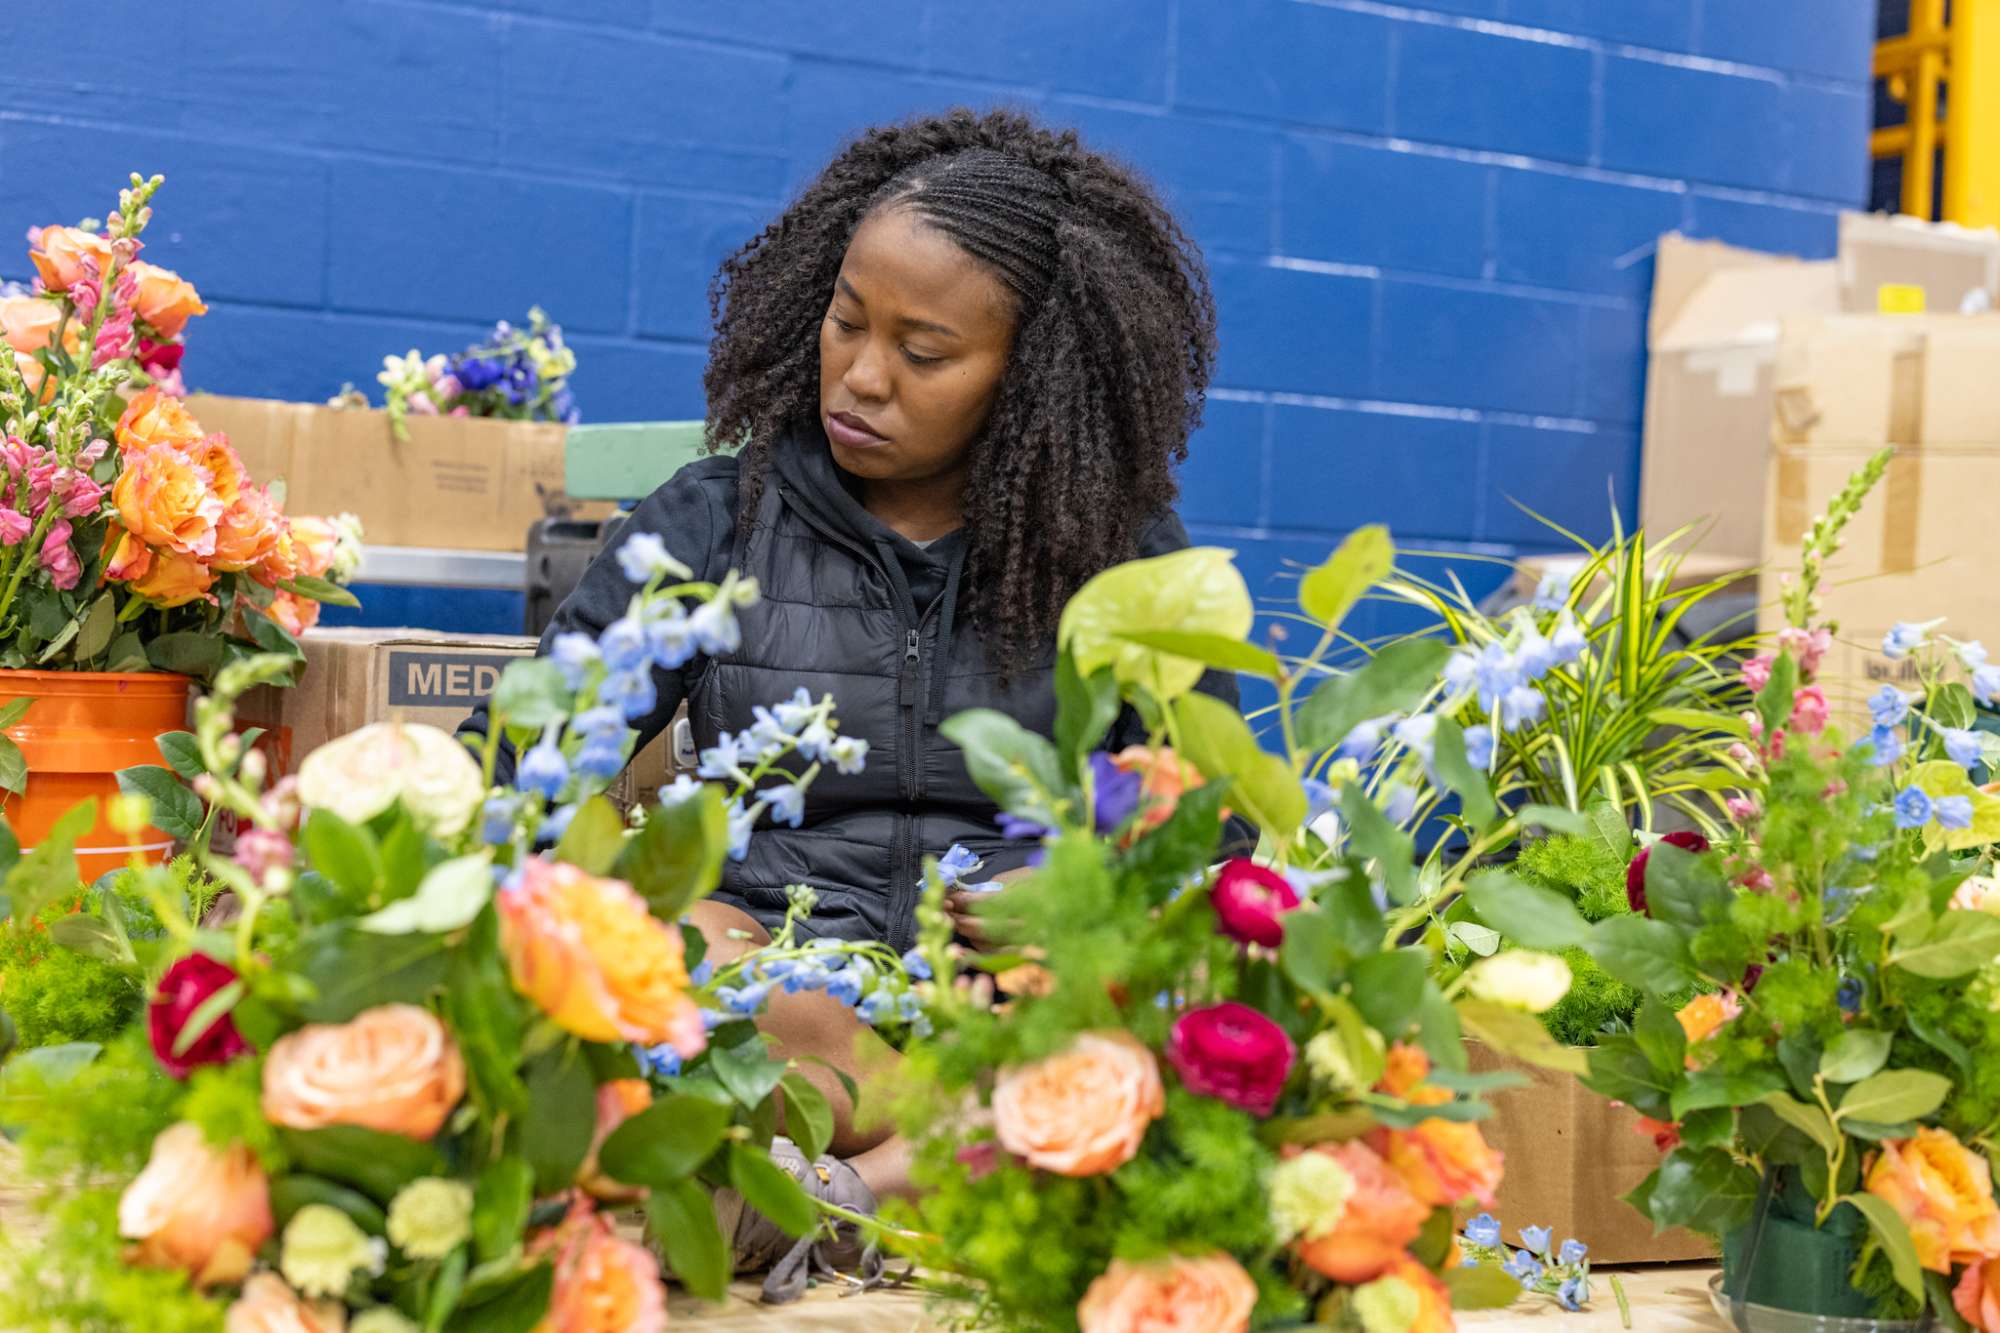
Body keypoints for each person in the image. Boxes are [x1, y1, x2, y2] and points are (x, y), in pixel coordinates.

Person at [462, 105, 1238, 1297]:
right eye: (845, 320)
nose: (863, 375)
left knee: (1165, 1025)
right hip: (783, 989)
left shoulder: (1119, 555)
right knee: (719, 974)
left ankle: (825, 1202)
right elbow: (514, 763)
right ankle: (937, 1168)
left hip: (1008, 1003)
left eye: (924, 354)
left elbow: (1214, 834)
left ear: (1030, 374)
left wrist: (1092, 896)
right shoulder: (716, 523)